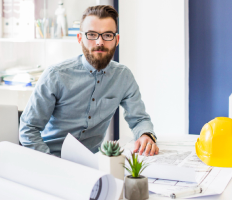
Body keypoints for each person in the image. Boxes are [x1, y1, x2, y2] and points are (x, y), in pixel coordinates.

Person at [19, 5, 159, 157]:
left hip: (91, 163)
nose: (99, 42)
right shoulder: (55, 75)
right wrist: (53, 163)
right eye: (92, 34)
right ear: (80, 38)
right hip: (50, 159)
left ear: (116, 39)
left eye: (107, 35)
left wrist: (146, 135)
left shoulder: (123, 77)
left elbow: (139, 119)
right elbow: (28, 129)